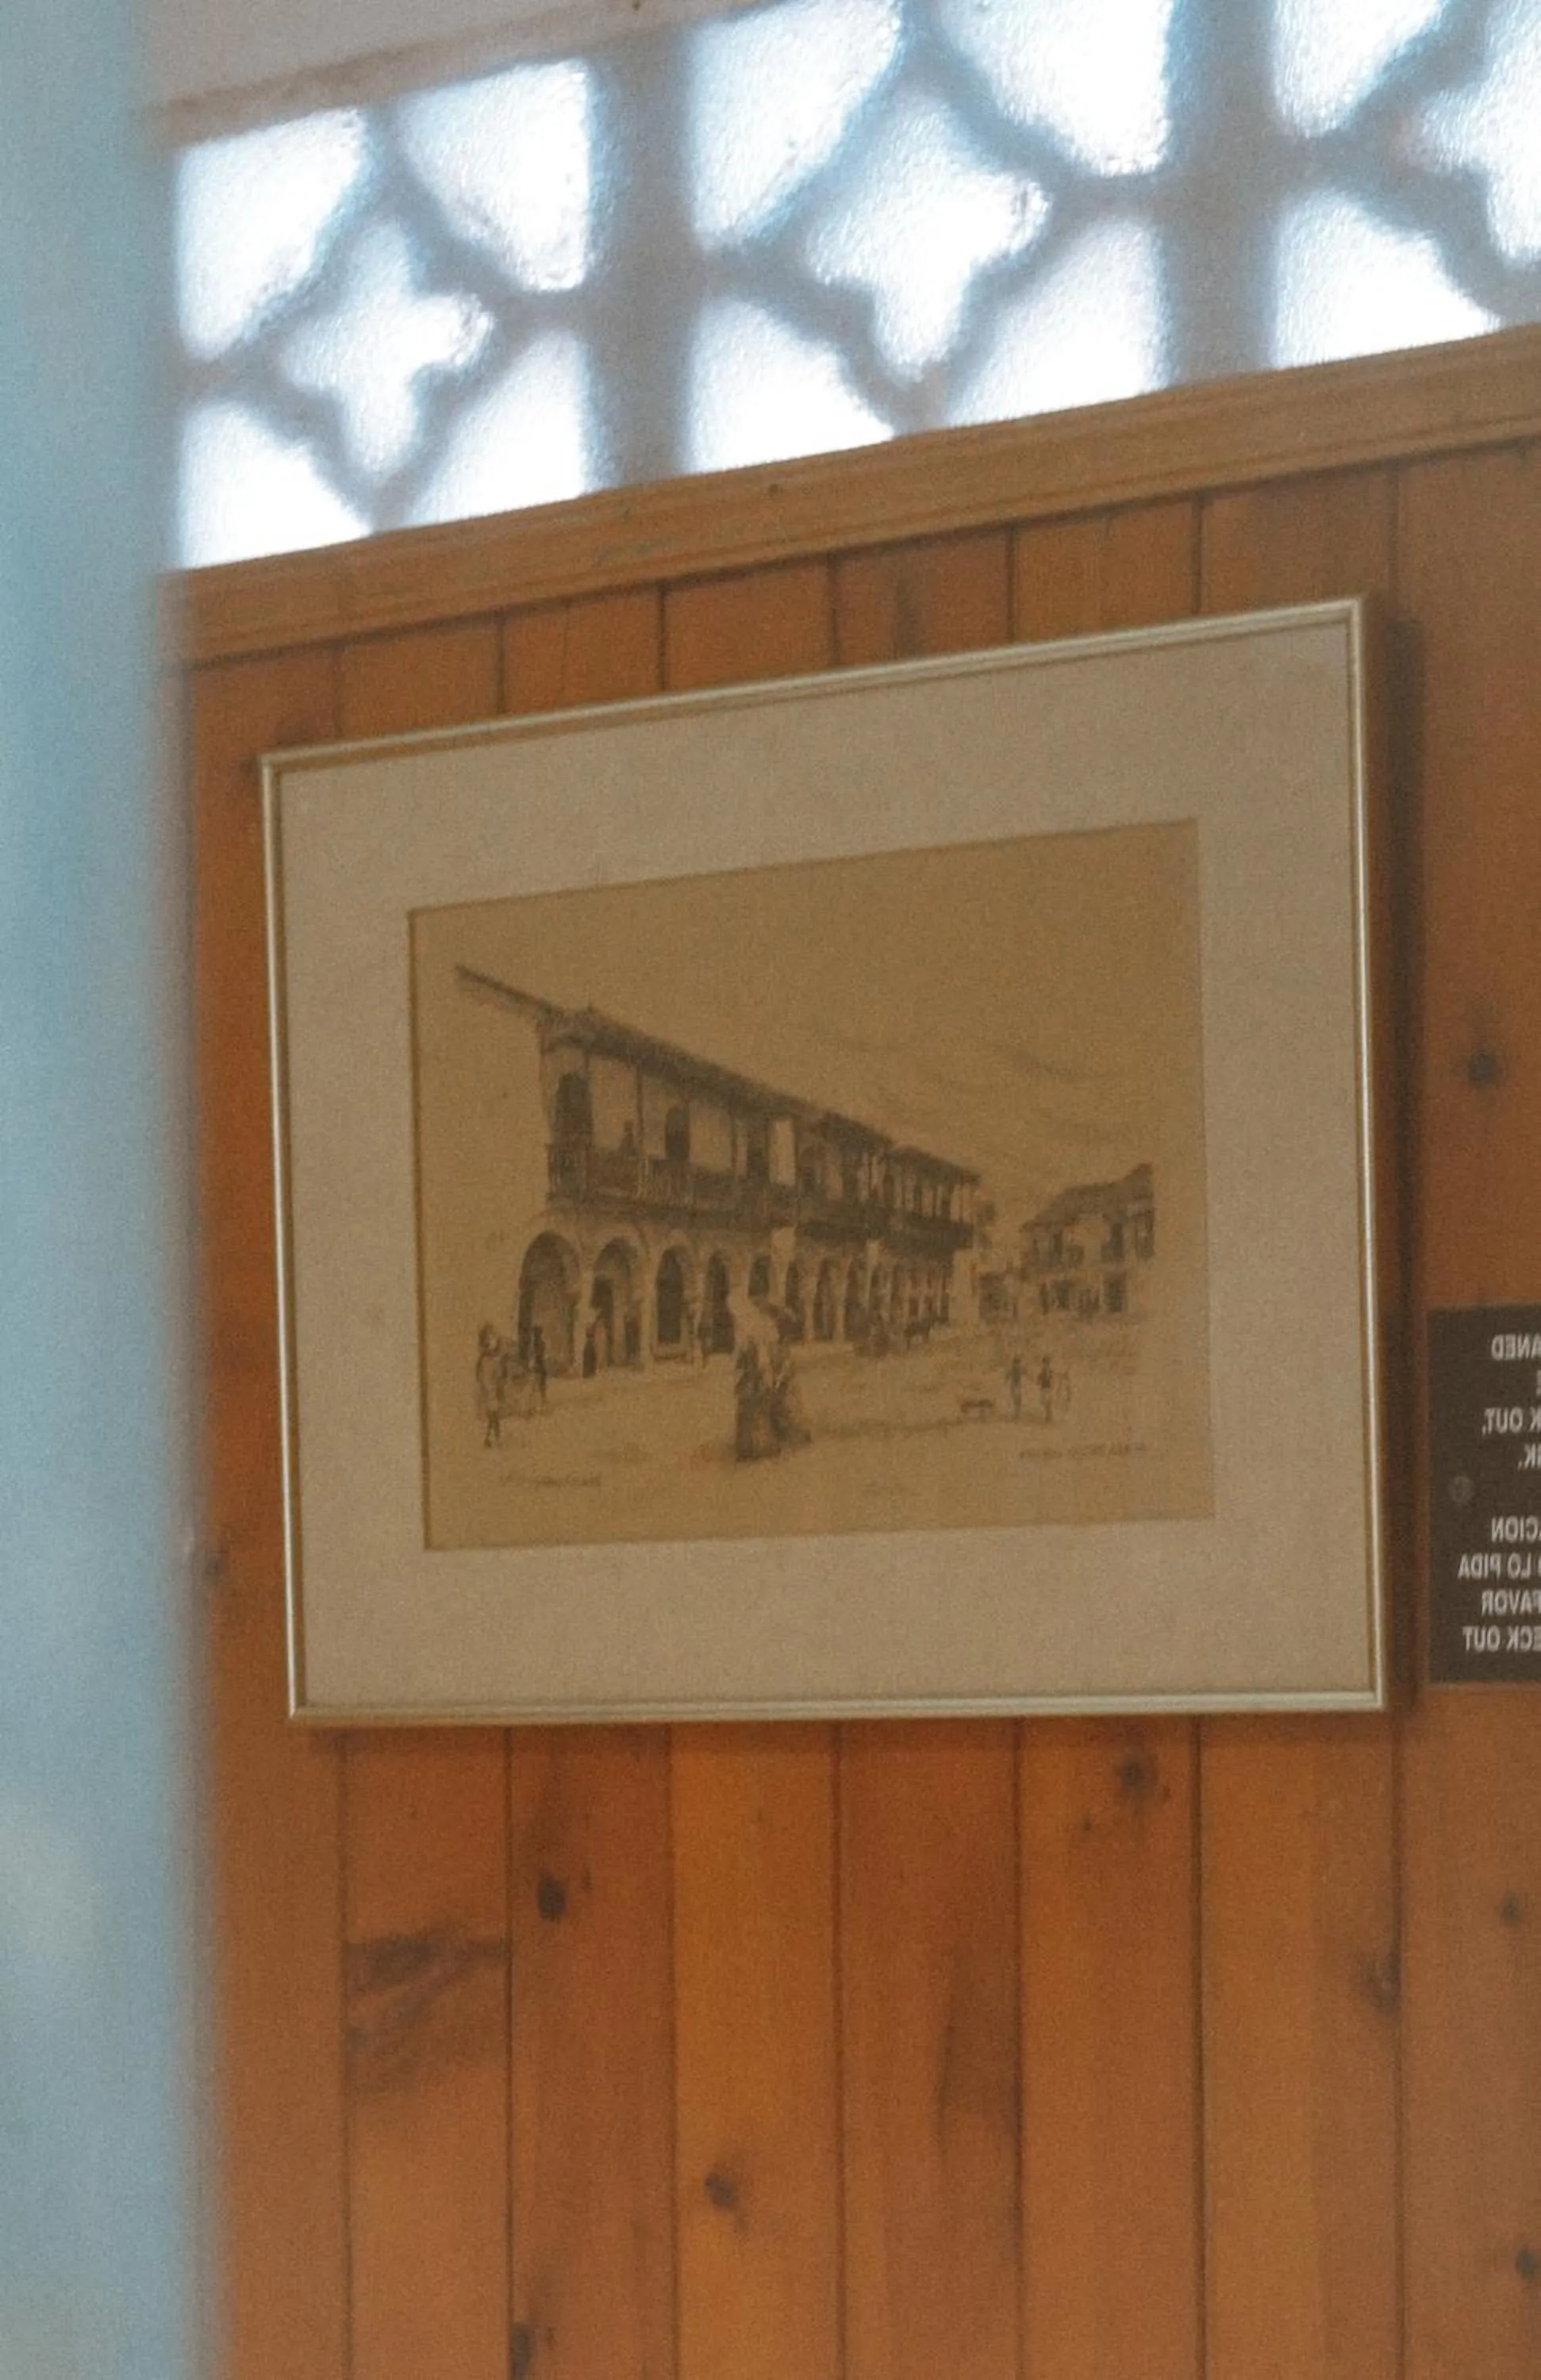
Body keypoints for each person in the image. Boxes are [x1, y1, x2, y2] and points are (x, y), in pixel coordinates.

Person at [475, 1323, 506, 1447]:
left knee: (493, 1416)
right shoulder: (487, 1361)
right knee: (494, 1416)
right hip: (490, 1391)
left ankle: (490, 1438)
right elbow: (485, 1376)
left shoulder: (488, 1361)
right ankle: (494, 1438)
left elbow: (498, 1376)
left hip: (491, 1391)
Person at [529, 1323, 548, 1411]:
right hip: (538, 1366)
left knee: (539, 1386)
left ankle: (541, 1404)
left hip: (538, 1366)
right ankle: (540, 1403)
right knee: (539, 1386)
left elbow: (538, 1355)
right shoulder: (537, 1344)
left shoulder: (538, 1344)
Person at [1038, 1352, 1055, 1424]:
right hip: (1044, 1388)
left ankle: (1049, 1417)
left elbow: (1052, 1379)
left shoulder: (1049, 1371)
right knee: (1045, 1403)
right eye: (1044, 1363)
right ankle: (1048, 1416)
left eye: (1046, 1363)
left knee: (1047, 1403)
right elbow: (1039, 1378)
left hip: (1047, 1388)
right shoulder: (1043, 1371)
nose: (1045, 1365)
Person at [1006, 1352, 1024, 1419]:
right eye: (1016, 1363)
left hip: (1018, 1386)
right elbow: (1007, 1375)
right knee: (1015, 1400)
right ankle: (1015, 1414)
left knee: (1019, 1400)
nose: (1017, 1365)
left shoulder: (1020, 1369)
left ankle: (1018, 1414)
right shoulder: (1012, 1369)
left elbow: (1026, 1372)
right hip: (1014, 1386)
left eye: (1018, 1363)